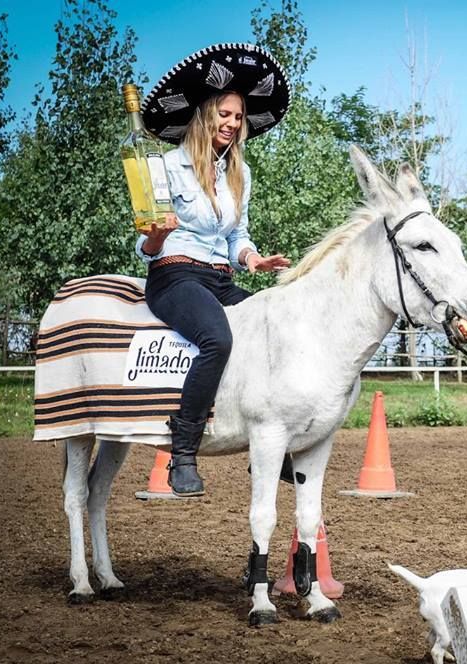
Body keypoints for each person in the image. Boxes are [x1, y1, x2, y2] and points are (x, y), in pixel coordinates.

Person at [135, 44, 292, 496]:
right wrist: (159, 235)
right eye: (225, 113)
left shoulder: (237, 175)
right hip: (174, 276)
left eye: (239, 117)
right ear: (205, 114)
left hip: (220, 277)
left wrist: (253, 260)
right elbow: (145, 246)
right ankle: (183, 452)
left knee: (274, 325)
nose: (232, 123)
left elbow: (236, 237)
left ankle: (276, 445)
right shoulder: (162, 169)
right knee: (218, 337)